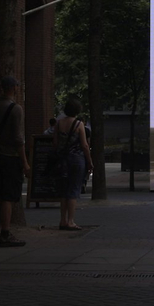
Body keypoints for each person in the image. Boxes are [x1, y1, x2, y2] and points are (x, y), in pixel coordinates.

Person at [0, 76, 30, 247]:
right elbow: (18, 139)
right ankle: (5, 232)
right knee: (8, 197)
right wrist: (25, 162)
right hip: (10, 157)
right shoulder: (15, 108)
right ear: (13, 88)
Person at [54, 98, 93, 230]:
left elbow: (55, 144)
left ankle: (62, 220)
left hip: (62, 160)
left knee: (64, 191)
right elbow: (84, 145)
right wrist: (89, 162)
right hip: (76, 159)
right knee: (73, 190)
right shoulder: (79, 124)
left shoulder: (58, 123)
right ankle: (71, 221)